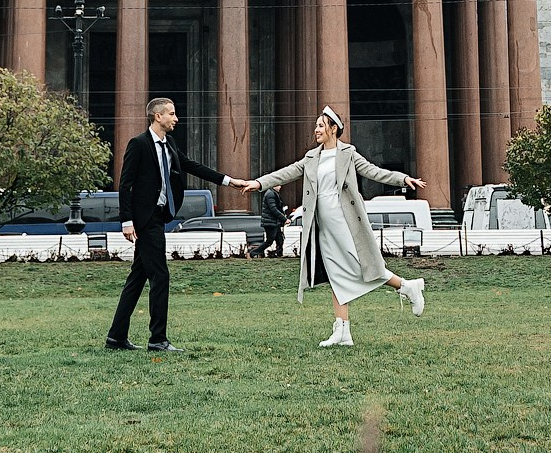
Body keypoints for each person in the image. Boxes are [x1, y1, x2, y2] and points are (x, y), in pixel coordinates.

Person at [250, 107, 427, 346]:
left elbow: (374, 171)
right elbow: (286, 173)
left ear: (334, 129)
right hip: (322, 224)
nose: (316, 130)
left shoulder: (348, 153)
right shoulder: (312, 157)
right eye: (316, 126)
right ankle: (342, 331)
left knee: (359, 265)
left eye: (321, 126)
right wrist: (258, 183)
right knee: (335, 274)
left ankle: (406, 286)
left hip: (343, 220)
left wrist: (402, 178)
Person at [106, 96, 252, 354]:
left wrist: (230, 181)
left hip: (160, 217)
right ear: (157, 116)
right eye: (171, 114)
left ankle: (116, 337)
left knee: (137, 278)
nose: (176, 118)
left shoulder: (170, 144)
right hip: (145, 220)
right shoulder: (138, 144)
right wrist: (126, 221)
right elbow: (125, 184)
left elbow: (192, 166)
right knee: (160, 276)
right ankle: (158, 340)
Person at [255, 184, 287, 258]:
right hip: (270, 222)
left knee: (280, 239)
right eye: (278, 185)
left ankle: (279, 254)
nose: (280, 187)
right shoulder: (270, 194)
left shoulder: (273, 193)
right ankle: (253, 253)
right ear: (274, 186)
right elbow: (274, 209)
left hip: (274, 221)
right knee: (269, 241)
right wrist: (284, 219)